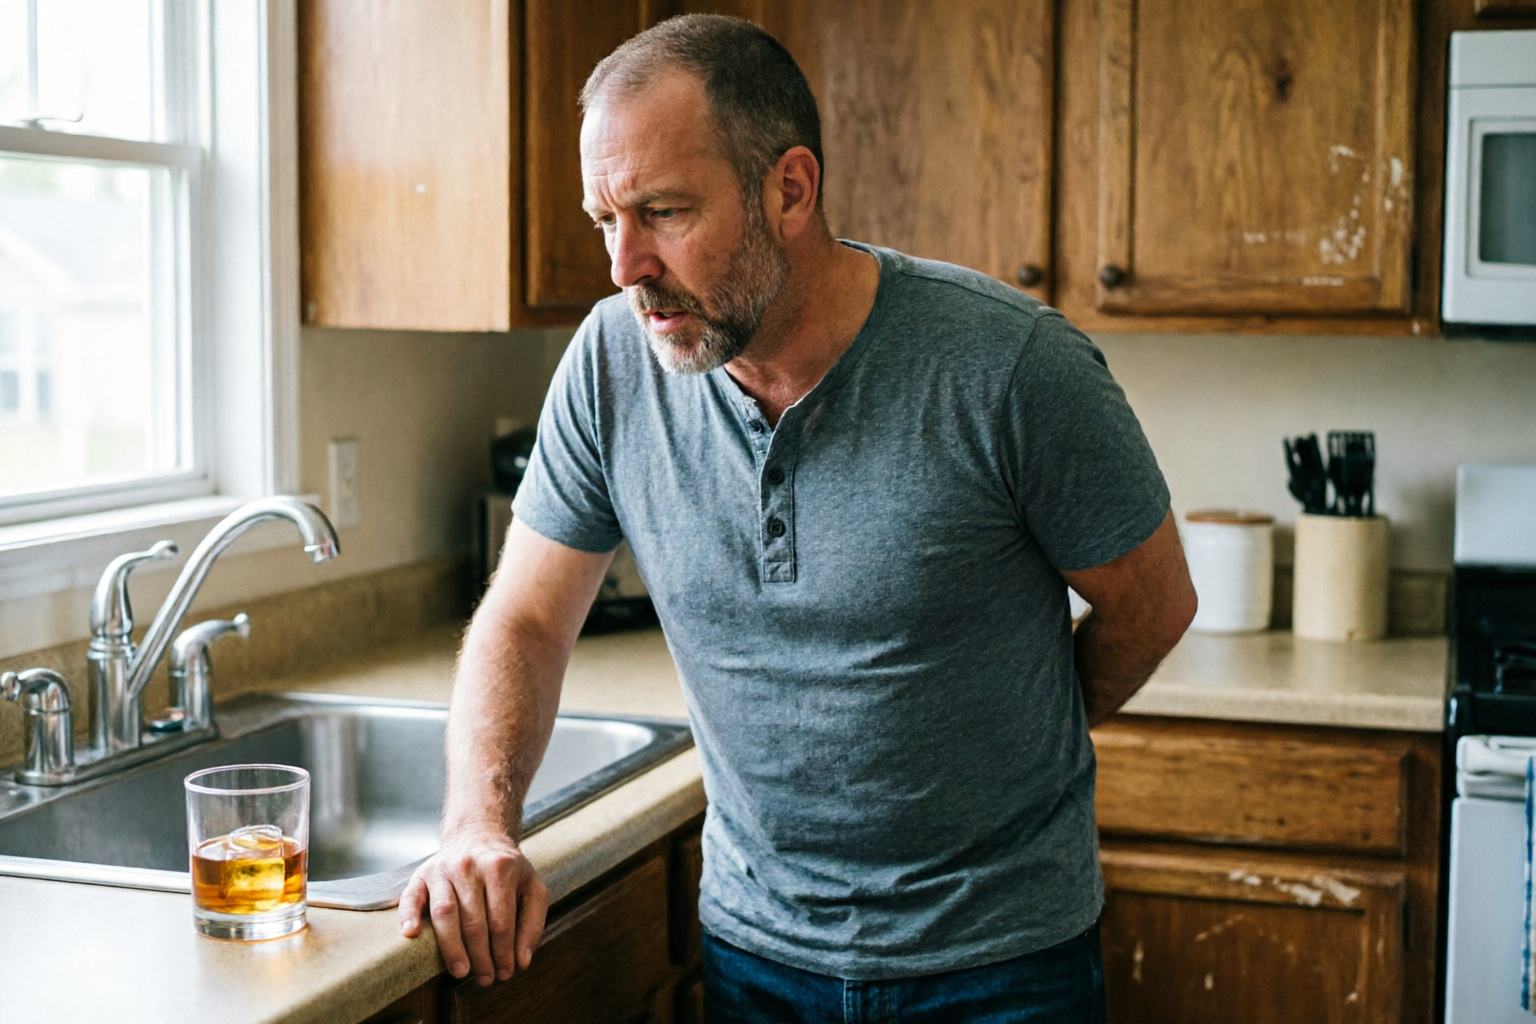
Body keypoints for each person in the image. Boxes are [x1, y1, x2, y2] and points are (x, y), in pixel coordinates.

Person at [397, 13, 1196, 1022]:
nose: (623, 266)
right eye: (607, 220)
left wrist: (1012, 732)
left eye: (664, 212)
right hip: (755, 956)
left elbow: (1154, 604)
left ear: (789, 190)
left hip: (1003, 962)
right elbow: (524, 618)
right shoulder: (611, 365)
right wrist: (478, 823)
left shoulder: (1011, 368)